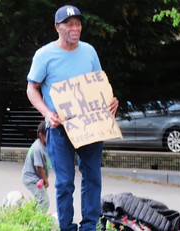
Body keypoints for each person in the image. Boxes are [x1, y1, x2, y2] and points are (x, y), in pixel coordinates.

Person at [26, 5, 119, 231]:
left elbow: (98, 84)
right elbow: (31, 89)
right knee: (65, 183)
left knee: (92, 178)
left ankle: (89, 226)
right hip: (59, 128)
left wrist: (111, 100)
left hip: (91, 126)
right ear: (58, 27)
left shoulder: (89, 51)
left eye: (77, 23)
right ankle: (66, 227)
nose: (74, 28)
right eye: (69, 24)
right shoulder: (44, 55)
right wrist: (47, 113)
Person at [22, 121, 50, 212]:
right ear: (41, 135)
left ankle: (30, 217)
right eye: (48, 135)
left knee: (39, 200)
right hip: (31, 178)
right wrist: (45, 180)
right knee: (44, 201)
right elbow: (38, 167)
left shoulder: (43, 145)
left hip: (36, 178)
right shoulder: (38, 148)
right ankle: (37, 222)